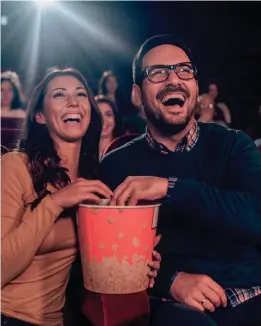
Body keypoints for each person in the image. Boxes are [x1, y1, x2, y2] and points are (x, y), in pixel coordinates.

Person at [100, 34, 261, 326]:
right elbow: (109, 258)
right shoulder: (116, 165)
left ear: (195, 86)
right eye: (158, 72)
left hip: (251, 293)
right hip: (175, 306)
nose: (173, 79)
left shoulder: (234, 145)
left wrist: (168, 186)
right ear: (137, 94)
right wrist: (171, 281)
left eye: (184, 70)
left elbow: (256, 217)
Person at [1, 67, 161, 326]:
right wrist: (54, 203)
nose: (73, 101)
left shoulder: (94, 180)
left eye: (80, 94)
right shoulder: (15, 166)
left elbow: (97, 268)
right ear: (40, 115)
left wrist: (137, 259)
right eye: (59, 95)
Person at [94, 95, 124, 159]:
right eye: (98, 115)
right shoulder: (82, 152)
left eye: (108, 114)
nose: (103, 120)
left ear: (115, 119)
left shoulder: (125, 150)